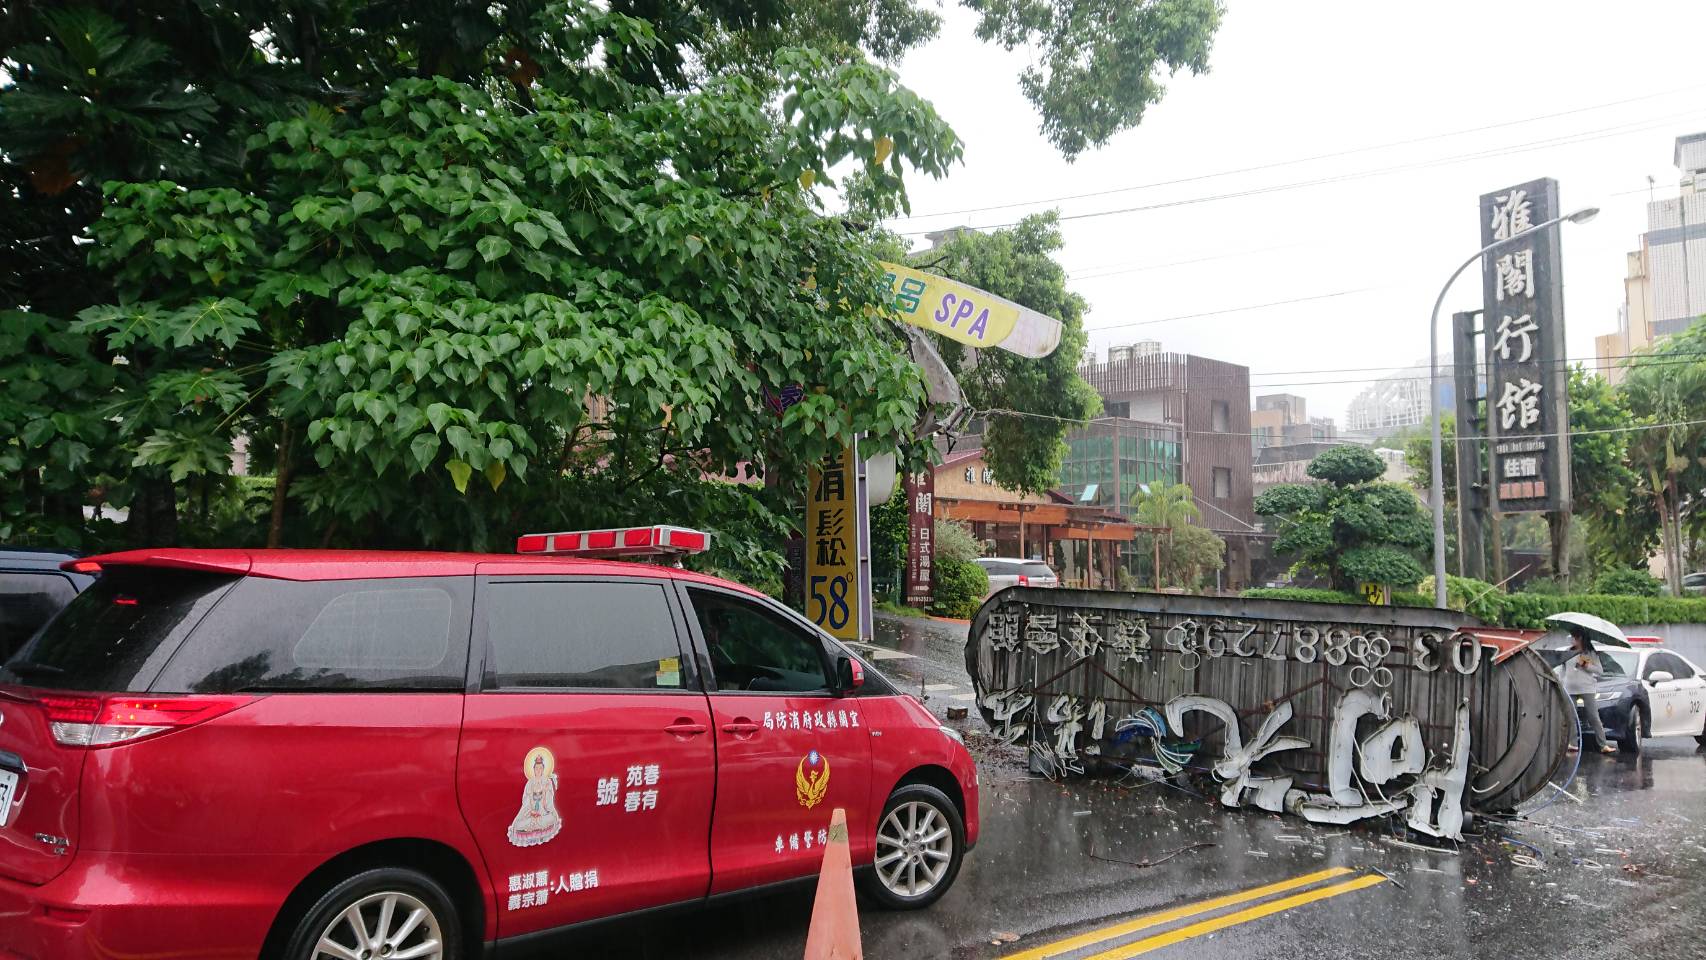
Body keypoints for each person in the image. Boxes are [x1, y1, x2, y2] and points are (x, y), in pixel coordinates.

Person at [1561, 628, 1617, 754]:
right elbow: (1563, 670)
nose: (1572, 640)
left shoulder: (1590, 653)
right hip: (1570, 688)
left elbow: (1599, 670)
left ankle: (1603, 744)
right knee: (1571, 716)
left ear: (1580, 638)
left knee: (1593, 716)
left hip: (1587, 687)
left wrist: (1586, 665)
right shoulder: (1567, 652)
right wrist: (1562, 682)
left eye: (1574, 637)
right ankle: (1573, 743)